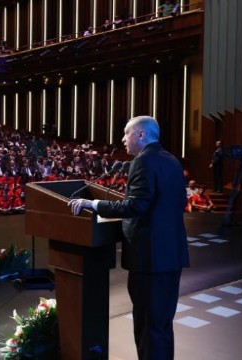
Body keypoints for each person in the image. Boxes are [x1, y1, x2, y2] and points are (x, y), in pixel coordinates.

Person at [68, 116, 189, 360]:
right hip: (171, 256)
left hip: (149, 260)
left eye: (126, 133)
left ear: (141, 135)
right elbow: (178, 202)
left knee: (147, 326)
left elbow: (136, 205)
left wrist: (93, 203)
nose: (123, 139)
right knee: (161, 326)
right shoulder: (172, 160)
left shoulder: (143, 161)